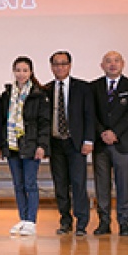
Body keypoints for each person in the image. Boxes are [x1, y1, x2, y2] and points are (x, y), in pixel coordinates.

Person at [0, 56, 50, 237]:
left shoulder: (39, 95)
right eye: (18, 70)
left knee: (30, 184)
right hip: (12, 145)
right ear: (13, 71)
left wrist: (42, 145)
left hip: (31, 145)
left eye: (25, 70)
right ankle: (23, 219)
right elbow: (2, 122)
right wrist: (2, 145)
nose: (21, 74)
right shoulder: (6, 95)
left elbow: (44, 123)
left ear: (31, 72)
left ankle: (31, 221)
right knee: (18, 184)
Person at [46, 51, 94, 237]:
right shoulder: (46, 89)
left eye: (63, 63)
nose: (60, 67)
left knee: (78, 183)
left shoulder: (83, 88)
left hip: (76, 143)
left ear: (70, 65)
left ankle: (82, 222)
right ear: (51, 67)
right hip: (55, 143)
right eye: (56, 64)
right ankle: (65, 221)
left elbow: (89, 115)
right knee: (60, 184)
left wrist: (88, 140)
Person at [91, 51, 128, 236]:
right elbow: (91, 114)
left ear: (123, 64)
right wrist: (102, 133)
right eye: (108, 61)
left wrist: (115, 133)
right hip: (101, 144)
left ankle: (125, 222)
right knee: (102, 185)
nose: (112, 64)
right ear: (102, 65)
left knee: (124, 185)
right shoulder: (93, 87)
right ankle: (104, 222)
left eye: (116, 61)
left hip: (123, 143)